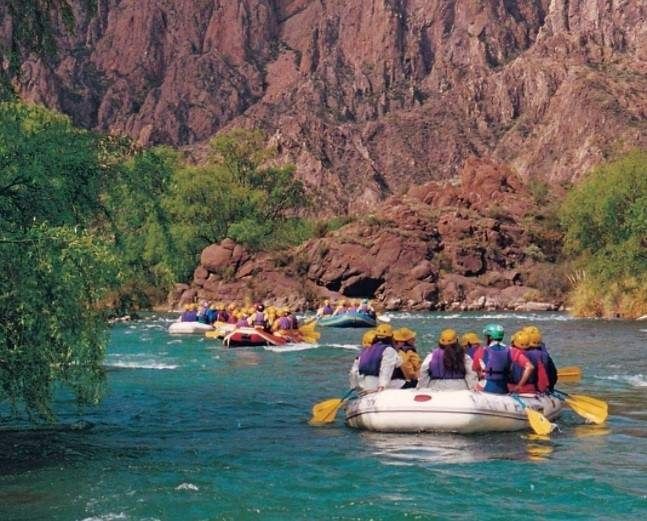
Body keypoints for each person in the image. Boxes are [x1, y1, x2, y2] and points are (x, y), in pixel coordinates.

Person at [480, 323, 533, 394]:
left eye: (486, 336)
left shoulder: (481, 351)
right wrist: (519, 386)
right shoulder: (511, 350)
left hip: (487, 389)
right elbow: (530, 367)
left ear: (490, 337)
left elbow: (477, 372)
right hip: (503, 389)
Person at [349, 324, 403, 392]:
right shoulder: (389, 350)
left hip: (365, 384)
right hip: (379, 386)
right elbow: (386, 369)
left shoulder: (366, 350)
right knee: (410, 383)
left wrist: (354, 386)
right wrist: (382, 386)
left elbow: (354, 372)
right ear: (391, 337)